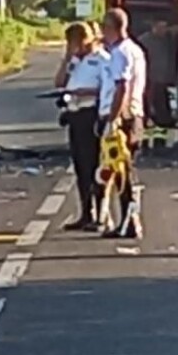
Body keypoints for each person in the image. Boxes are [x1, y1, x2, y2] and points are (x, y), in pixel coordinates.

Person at [97, 8, 147, 239]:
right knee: (123, 172)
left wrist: (113, 119)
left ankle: (129, 222)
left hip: (123, 118)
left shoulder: (120, 53)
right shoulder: (135, 50)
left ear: (111, 28)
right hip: (134, 115)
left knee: (122, 173)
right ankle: (129, 220)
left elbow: (122, 87)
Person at [54, 21, 109, 231]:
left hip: (91, 113)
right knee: (80, 167)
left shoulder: (102, 59)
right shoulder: (76, 61)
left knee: (94, 165)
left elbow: (107, 89)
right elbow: (59, 83)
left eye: (75, 42)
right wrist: (67, 59)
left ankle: (100, 214)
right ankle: (85, 212)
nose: (73, 46)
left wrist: (83, 92)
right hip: (74, 113)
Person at [139, 18, 178, 148]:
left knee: (162, 114)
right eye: (161, 27)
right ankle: (144, 143)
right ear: (154, 26)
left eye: (165, 27)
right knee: (146, 113)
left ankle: (160, 143)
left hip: (163, 83)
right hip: (149, 82)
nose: (164, 30)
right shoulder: (144, 41)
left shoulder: (168, 40)